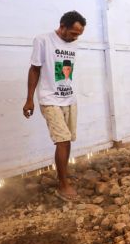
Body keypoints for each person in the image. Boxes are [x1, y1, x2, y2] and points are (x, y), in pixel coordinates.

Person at [22, 11, 86, 201]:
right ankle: (63, 184)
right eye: (73, 33)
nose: (75, 37)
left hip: (69, 99)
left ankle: (63, 174)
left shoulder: (74, 43)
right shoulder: (43, 40)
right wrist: (29, 99)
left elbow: (66, 71)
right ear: (62, 26)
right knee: (62, 140)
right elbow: (34, 69)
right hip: (49, 99)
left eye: (79, 34)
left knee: (67, 140)